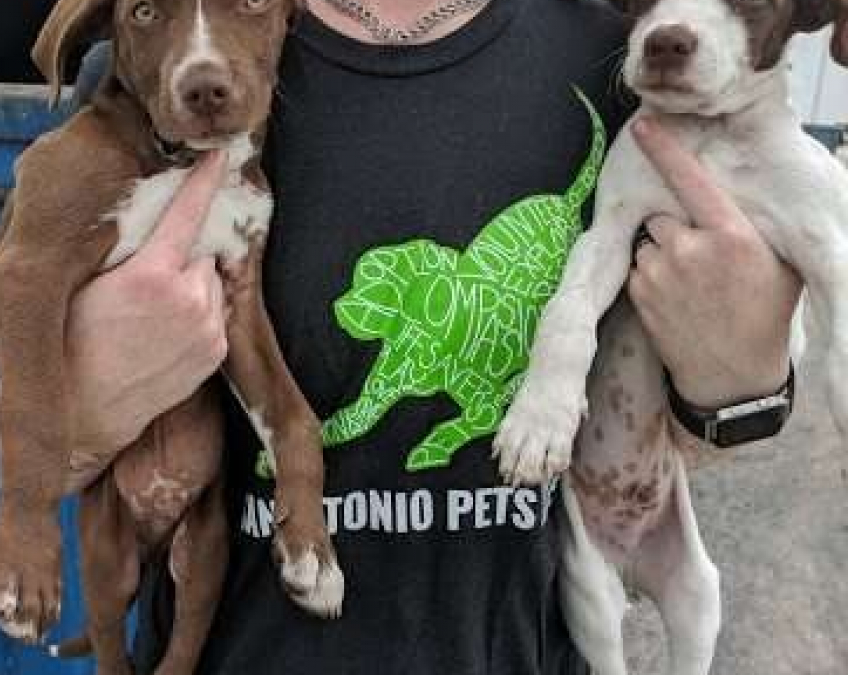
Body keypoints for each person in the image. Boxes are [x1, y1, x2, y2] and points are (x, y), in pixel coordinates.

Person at [62, 0, 802, 673]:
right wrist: (89, 398)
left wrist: (740, 378)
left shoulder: (611, 54)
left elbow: (690, 435)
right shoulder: (174, 54)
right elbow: (45, 445)